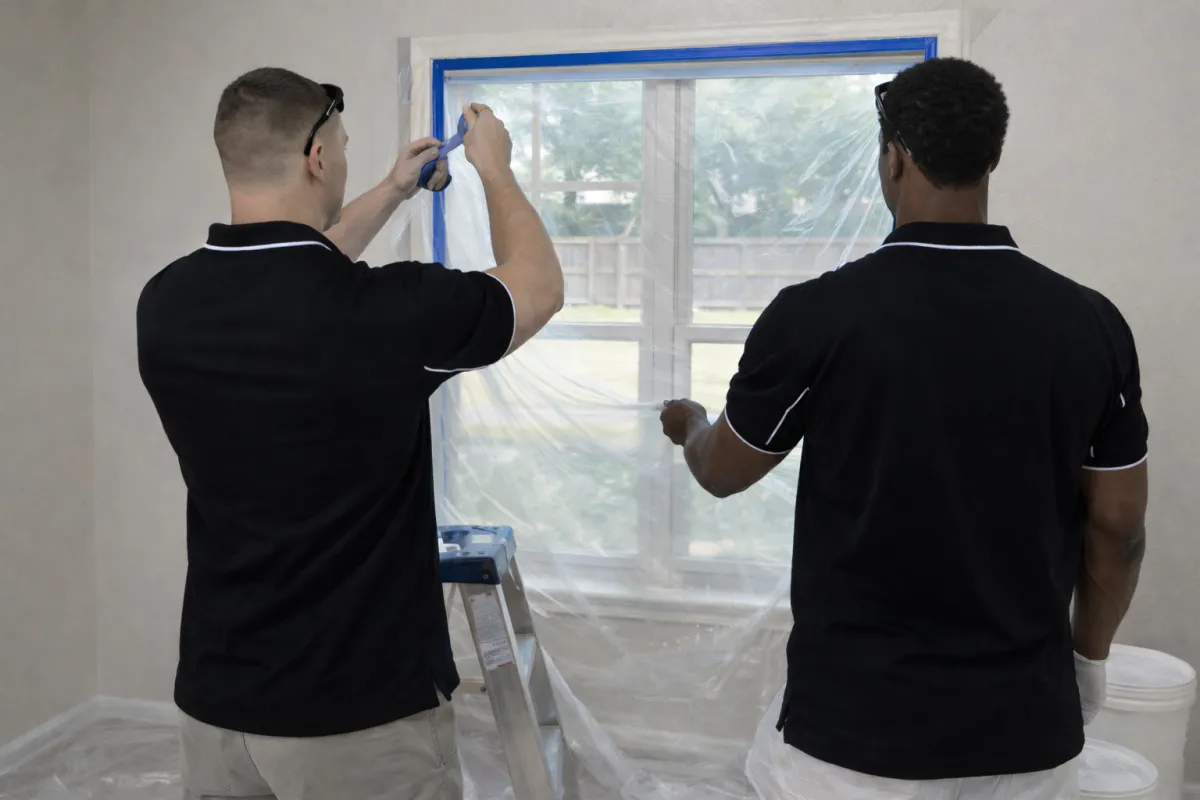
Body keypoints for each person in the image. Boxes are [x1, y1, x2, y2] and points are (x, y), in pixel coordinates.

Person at [660, 57, 1148, 799]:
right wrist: (1087, 664)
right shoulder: (1091, 323)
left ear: (894, 158)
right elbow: (1117, 529)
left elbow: (723, 471)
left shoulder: (818, 315)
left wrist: (692, 423)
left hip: (855, 737)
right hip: (1024, 728)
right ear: (992, 156)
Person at [137, 67, 562, 800]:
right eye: (341, 145)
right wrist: (494, 168)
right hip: (358, 721)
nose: (342, 157)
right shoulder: (389, 312)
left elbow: (292, 270)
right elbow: (538, 286)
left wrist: (394, 189)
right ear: (317, 158)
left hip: (218, 710)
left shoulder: (166, 302)